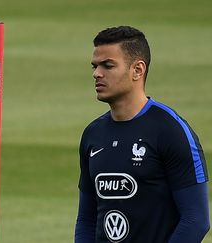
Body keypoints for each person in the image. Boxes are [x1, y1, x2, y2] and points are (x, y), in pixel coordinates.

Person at [74, 26, 209, 242]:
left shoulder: (171, 130)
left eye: (108, 65)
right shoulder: (93, 134)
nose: (96, 73)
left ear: (137, 70)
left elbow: (196, 220)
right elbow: (86, 219)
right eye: (95, 66)